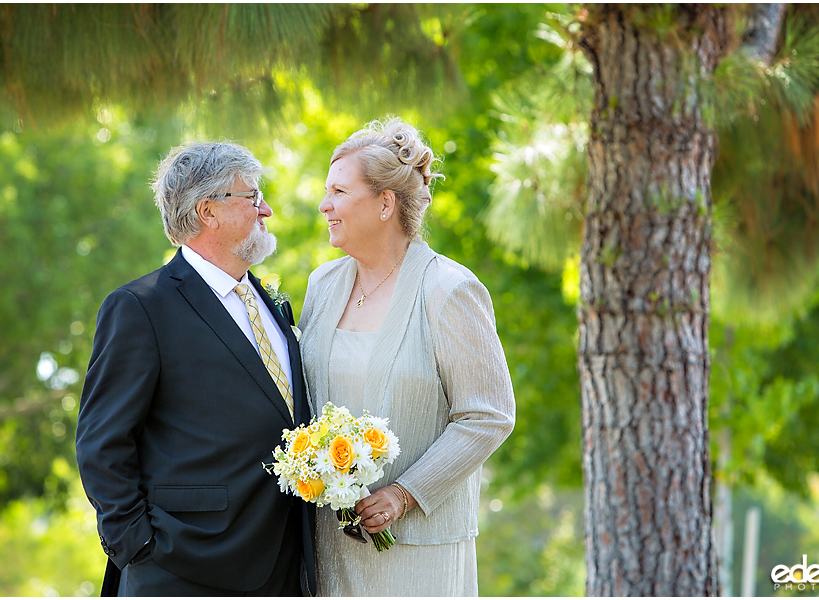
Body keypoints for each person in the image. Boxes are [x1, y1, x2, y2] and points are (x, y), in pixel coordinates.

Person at [76, 141, 315, 596]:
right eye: (252, 196)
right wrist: (140, 547)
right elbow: (101, 444)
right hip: (181, 569)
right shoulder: (140, 307)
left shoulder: (273, 303)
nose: (265, 209)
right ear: (209, 211)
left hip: (283, 565)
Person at [298, 117, 515, 596]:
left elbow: (488, 414)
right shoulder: (322, 286)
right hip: (328, 546)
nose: (324, 205)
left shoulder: (449, 290)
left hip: (418, 553)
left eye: (338, 191)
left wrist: (404, 495)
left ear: (385, 203)